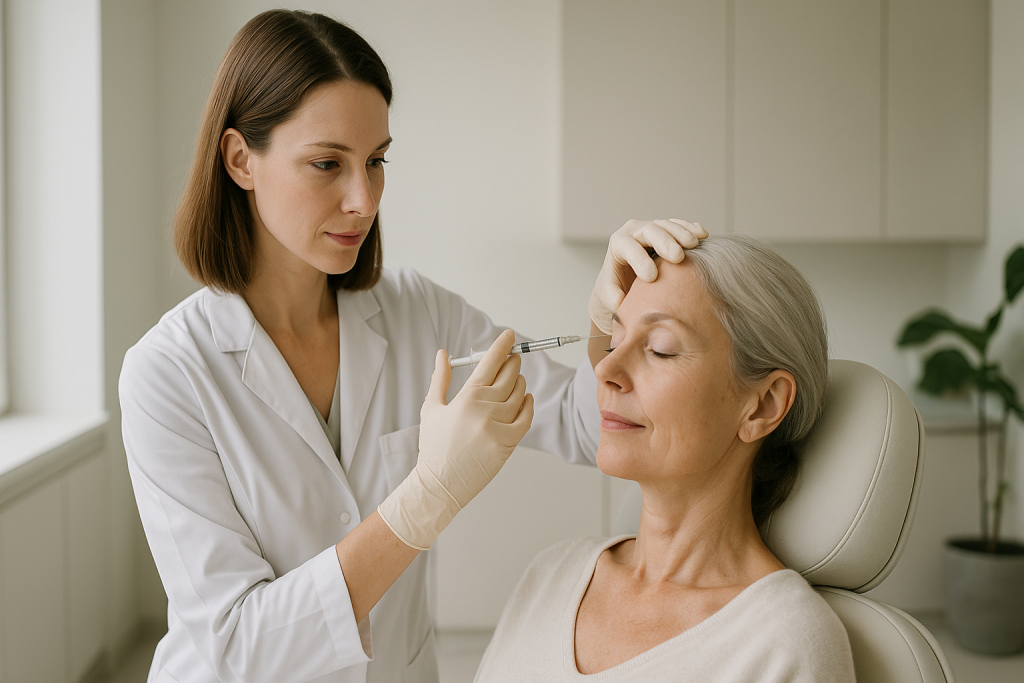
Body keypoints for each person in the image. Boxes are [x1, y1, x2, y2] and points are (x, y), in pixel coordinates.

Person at [118, 9, 704, 683]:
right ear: (240, 160)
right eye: (327, 164)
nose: (363, 200)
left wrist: (612, 317)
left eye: (375, 161)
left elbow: (581, 421)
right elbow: (238, 645)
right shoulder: (168, 374)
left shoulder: (417, 312)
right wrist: (427, 496)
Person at [474, 235, 857, 682]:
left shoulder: (785, 643)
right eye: (614, 341)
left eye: (660, 349)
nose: (604, 369)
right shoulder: (552, 575)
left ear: (763, 405)